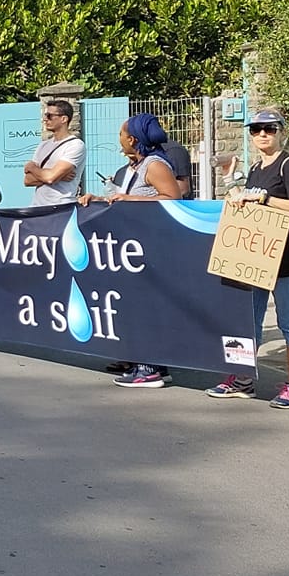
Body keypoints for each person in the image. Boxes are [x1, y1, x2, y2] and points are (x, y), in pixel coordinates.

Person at [207, 108, 289, 408]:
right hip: (255, 258)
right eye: (256, 129)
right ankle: (242, 379)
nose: (262, 134)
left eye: (269, 129)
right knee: (247, 321)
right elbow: (249, 206)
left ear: (281, 132)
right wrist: (233, 187)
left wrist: (264, 198)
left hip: (285, 259)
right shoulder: (256, 168)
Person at [82, 114, 189, 389]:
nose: (118, 137)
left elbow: (172, 198)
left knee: (146, 303)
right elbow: (123, 199)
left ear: (132, 139)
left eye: (121, 133)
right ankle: (148, 363)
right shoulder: (135, 166)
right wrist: (97, 199)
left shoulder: (154, 165)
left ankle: (150, 367)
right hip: (133, 246)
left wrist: (131, 198)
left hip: (152, 245)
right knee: (136, 303)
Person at [25, 100, 86, 208]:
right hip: (36, 208)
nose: (45, 119)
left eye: (49, 116)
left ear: (64, 119)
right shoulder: (43, 146)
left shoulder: (75, 145)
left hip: (60, 208)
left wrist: (32, 168)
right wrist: (59, 176)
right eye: (45, 115)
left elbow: (50, 177)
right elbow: (28, 180)